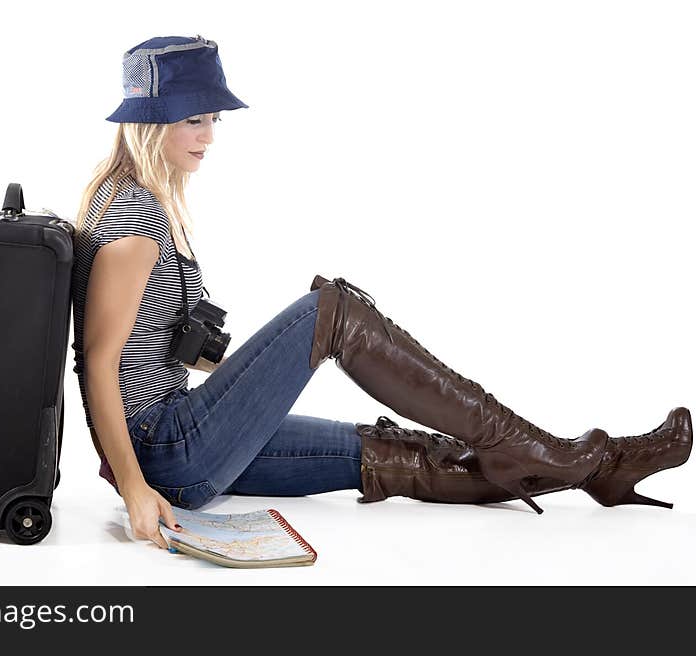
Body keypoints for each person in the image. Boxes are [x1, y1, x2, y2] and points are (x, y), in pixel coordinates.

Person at [70, 35, 693, 551]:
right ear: (149, 123)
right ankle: (551, 452)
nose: (209, 135)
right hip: (167, 450)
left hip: (182, 444)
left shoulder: (128, 200)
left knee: (394, 452)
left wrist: (240, 373)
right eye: (192, 119)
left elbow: (144, 350)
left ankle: (596, 470)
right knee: (333, 310)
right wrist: (133, 489)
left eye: (213, 119)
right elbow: (97, 361)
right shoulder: (132, 217)